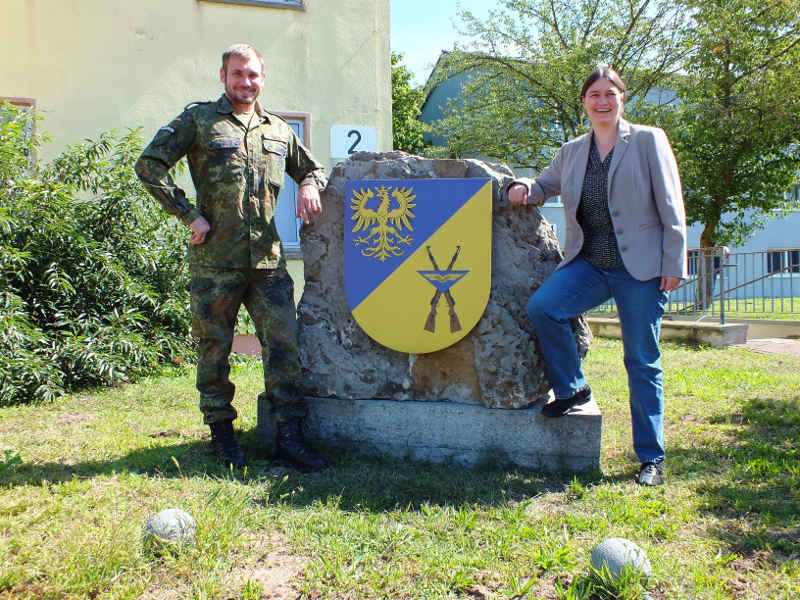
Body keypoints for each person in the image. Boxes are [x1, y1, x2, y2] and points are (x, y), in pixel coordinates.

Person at [135, 44, 328, 472]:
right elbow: (149, 164)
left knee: (284, 349)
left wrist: (311, 184)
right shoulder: (200, 121)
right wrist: (188, 214)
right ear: (223, 76)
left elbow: (311, 168)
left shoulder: (278, 129)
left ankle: (288, 437)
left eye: (253, 75)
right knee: (214, 350)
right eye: (238, 74)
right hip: (214, 263)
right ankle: (223, 436)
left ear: (263, 77)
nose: (246, 82)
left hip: (268, 263)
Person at [508, 67, 687, 486]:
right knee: (545, 307)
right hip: (590, 263)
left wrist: (673, 262)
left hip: (640, 269)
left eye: (610, 93)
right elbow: (544, 185)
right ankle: (572, 389)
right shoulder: (572, 151)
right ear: (584, 101)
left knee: (641, 360)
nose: (602, 101)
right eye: (594, 94)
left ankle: (651, 459)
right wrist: (520, 186)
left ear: (622, 98)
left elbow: (670, 202)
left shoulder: (646, 140)